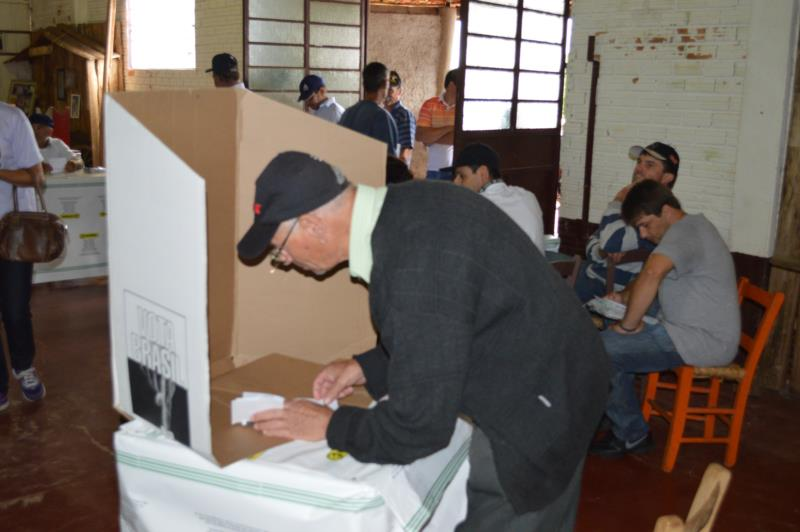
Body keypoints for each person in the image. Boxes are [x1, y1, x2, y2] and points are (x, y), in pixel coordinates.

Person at [237, 151, 609, 531]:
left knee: (511, 502)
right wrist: (366, 367)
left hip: (546, 398)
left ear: (313, 225)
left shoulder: (413, 266)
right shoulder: (409, 204)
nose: (285, 259)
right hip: (554, 361)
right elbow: (448, 324)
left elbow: (419, 427)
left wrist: (331, 426)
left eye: (280, 249)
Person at [589, 180, 739, 458]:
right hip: (683, 330)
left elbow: (652, 273)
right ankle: (616, 413)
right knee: (608, 338)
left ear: (667, 211)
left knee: (599, 349)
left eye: (645, 225)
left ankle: (632, 434)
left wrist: (628, 326)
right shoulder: (685, 230)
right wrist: (623, 297)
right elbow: (647, 273)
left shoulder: (687, 232)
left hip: (702, 341)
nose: (644, 234)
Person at [574, 142, 680, 303]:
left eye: (649, 165)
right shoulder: (634, 204)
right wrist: (602, 251)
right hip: (594, 273)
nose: (639, 169)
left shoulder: (658, 214)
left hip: (613, 288)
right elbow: (593, 242)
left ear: (666, 178)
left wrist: (618, 199)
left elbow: (610, 242)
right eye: (639, 162)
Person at [0, 102, 47, 411]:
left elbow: (36, 177)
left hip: (13, 231)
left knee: (15, 309)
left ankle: (24, 367)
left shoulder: (11, 118)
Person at [452, 142, 545, 253]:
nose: (455, 182)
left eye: (462, 176)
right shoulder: (528, 196)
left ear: (483, 173)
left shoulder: (476, 207)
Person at [339, 62, 399, 157]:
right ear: (384, 83)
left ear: (364, 84)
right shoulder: (382, 117)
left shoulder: (347, 113)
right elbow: (388, 160)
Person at [416, 69, 458, 181]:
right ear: (452, 85)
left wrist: (431, 137)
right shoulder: (429, 104)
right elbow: (420, 135)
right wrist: (450, 128)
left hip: (457, 171)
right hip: (433, 170)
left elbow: (458, 138)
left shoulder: (464, 107)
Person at [384, 71, 416, 166]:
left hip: (394, 168)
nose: (387, 94)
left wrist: (398, 170)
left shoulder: (404, 115)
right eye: (385, 90)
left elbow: (406, 151)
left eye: (390, 91)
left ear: (399, 91)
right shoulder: (381, 113)